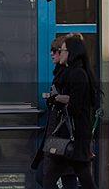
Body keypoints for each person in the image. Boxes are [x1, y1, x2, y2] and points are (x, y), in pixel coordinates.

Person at [33, 35, 100, 189]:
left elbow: (76, 106)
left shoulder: (78, 74)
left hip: (72, 137)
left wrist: (57, 99)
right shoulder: (71, 73)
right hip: (69, 137)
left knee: (50, 178)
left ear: (71, 52)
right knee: (55, 177)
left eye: (62, 50)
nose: (59, 53)